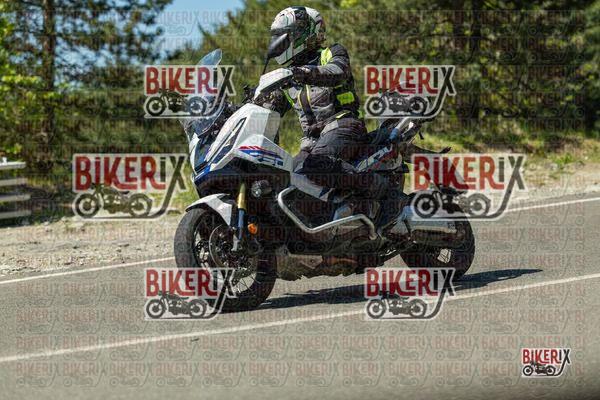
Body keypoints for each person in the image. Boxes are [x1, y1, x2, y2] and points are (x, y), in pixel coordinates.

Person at [263, 6, 389, 201]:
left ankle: (376, 185)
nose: (280, 42)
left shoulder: (331, 52)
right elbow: (269, 110)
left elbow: (339, 71)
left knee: (316, 165)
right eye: (278, 37)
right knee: (282, 177)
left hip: (344, 126)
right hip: (311, 143)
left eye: (287, 35)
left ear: (306, 32)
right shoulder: (286, 77)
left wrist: (306, 73)